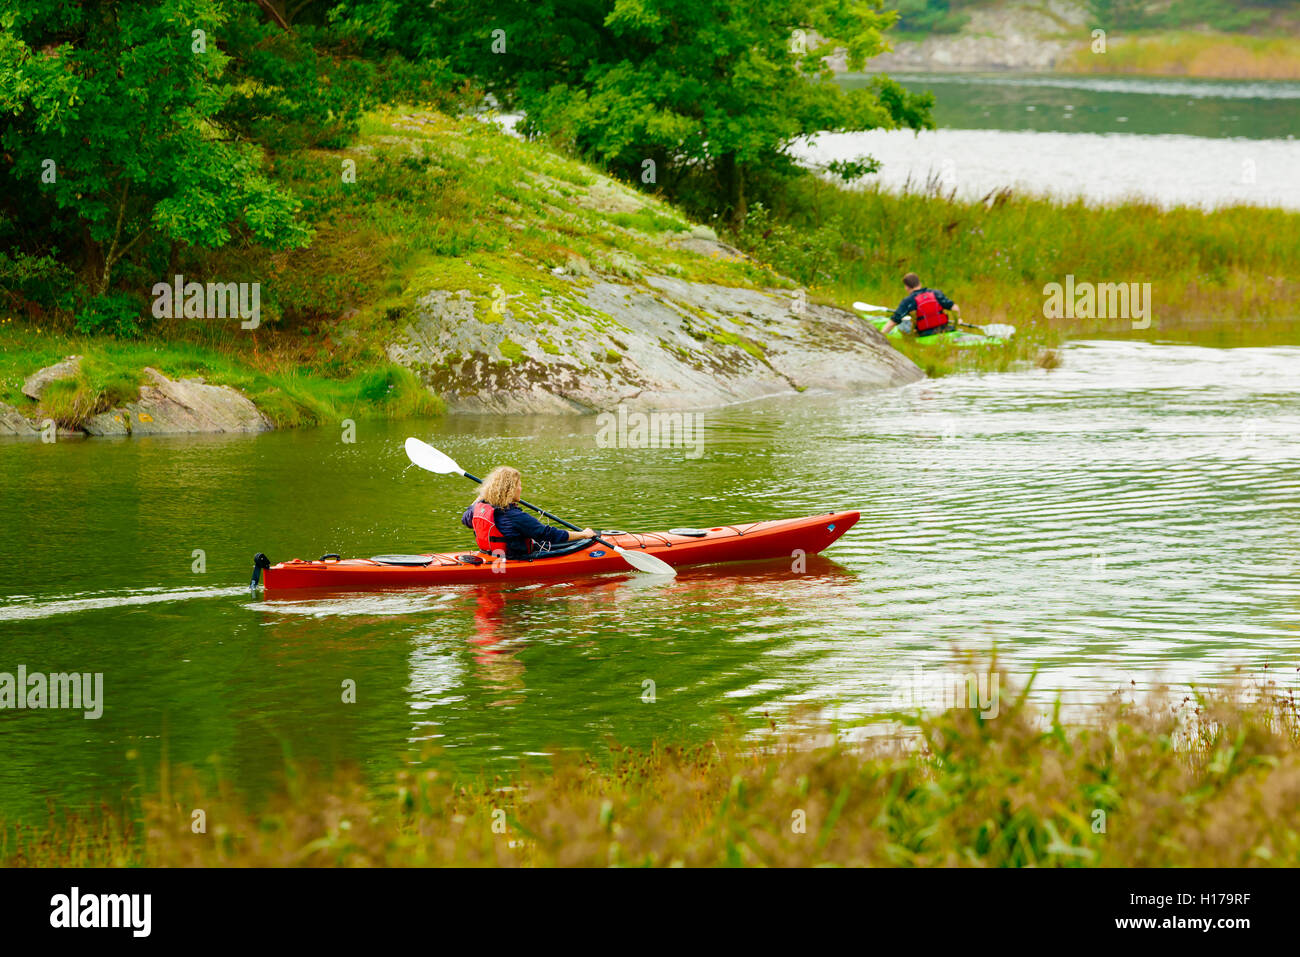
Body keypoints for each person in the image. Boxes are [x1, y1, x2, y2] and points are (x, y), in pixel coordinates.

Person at [461, 465, 594, 560]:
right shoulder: (514, 516)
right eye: (518, 485)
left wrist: (482, 496)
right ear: (511, 489)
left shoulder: (479, 507)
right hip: (515, 559)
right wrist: (583, 534)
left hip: (488, 555)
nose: (521, 488)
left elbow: (465, 519)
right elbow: (548, 534)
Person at [880, 273, 960, 337]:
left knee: (902, 325)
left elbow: (893, 321)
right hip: (944, 329)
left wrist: (881, 334)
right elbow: (955, 308)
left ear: (907, 287)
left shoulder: (908, 301)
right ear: (920, 284)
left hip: (924, 333)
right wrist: (959, 319)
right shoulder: (936, 293)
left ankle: (910, 339)